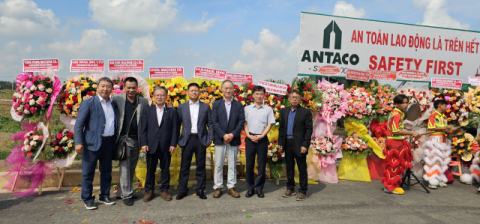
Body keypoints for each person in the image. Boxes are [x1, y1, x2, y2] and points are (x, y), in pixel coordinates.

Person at [75, 77, 117, 210]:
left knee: (106, 171)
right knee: (88, 173)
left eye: (108, 86)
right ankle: (87, 198)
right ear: (97, 87)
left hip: (108, 143)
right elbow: (79, 124)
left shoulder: (113, 103)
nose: (105, 89)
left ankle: (104, 195)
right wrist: (78, 142)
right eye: (103, 86)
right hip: (91, 144)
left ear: (112, 89)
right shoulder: (89, 103)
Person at [112, 77, 149, 206]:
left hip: (137, 139)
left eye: (133, 87)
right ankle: (127, 195)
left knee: (131, 167)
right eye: (128, 87)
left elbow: (147, 120)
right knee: (125, 167)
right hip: (124, 140)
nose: (131, 90)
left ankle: (121, 192)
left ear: (137, 88)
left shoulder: (143, 101)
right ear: (124, 88)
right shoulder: (117, 99)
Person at [176, 83, 213, 200]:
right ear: (187, 92)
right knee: (184, 166)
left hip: (201, 139)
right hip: (186, 140)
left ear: (199, 92)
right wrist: (178, 140)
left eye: (196, 90)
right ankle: (182, 190)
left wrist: (209, 139)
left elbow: (210, 124)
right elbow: (177, 125)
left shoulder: (205, 107)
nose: (194, 92)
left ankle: (200, 189)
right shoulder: (182, 107)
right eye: (191, 90)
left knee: (201, 166)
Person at [141, 86, 178, 202]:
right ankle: (149, 190)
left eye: (162, 95)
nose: (160, 97)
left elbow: (175, 129)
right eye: (157, 95)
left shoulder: (171, 111)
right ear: (153, 96)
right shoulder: (148, 111)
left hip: (166, 145)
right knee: (150, 168)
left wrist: (173, 144)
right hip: (151, 145)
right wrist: (144, 143)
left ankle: (164, 190)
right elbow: (143, 129)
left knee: (165, 168)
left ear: (166, 97)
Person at [211, 80, 245, 198]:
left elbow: (241, 121)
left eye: (230, 88)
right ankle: (218, 187)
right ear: (222, 89)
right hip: (220, 140)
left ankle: (231, 186)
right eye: (226, 88)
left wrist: (232, 135)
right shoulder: (216, 104)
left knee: (232, 165)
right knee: (219, 165)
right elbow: (214, 121)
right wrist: (223, 135)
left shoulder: (238, 105)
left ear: (233, 90)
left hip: (233, 140)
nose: (228, 90)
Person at [382, 94, 420, 195]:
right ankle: (392, 186)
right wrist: (411, 133)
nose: (405, 105)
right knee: (395, 165)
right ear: (397, 104)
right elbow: (395, 131)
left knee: (392, 165)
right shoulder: (397, 115)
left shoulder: (396, 113)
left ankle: (390, 185)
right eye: (403, 103)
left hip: (394, 141)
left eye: (407, 102)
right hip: (394, 141)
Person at [278, 90, 313, 201]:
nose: (294, 99)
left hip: (299, 144)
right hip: (287, 143)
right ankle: (290, 188)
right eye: (292, 97)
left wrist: (305, 145)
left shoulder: (305, 112)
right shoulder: (284, 111)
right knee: (289, 167)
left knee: (302, 168)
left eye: (297, 97)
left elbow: (309, 130)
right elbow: (282, 128)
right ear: (289, 98)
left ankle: (303, 190)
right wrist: (280, 142)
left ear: (300, 99)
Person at [244, 85, 275, 198]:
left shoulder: (268, 109)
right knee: (249, 165)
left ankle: (259, 188)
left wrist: (261, 136)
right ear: (253, 95)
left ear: (264, 95)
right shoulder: (247, 109)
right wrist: (248, 135)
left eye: (261, 94)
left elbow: (270, 124)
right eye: (257, 94)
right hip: (250, 139)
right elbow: (245, 123)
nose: (259, 96)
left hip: (262, 140)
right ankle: (250, 189)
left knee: (261, 165)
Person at [424, 99, 453, 189]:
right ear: (440, 105)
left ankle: (439, 178)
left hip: (443, 139)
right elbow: (431, 128)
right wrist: (445, 127)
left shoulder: (444, 117)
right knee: (434, 160)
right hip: (435, 139)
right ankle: (432, 180)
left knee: (442, 160)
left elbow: (443, 129)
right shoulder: (433, 115)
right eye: (445, 105)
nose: (446, 108)